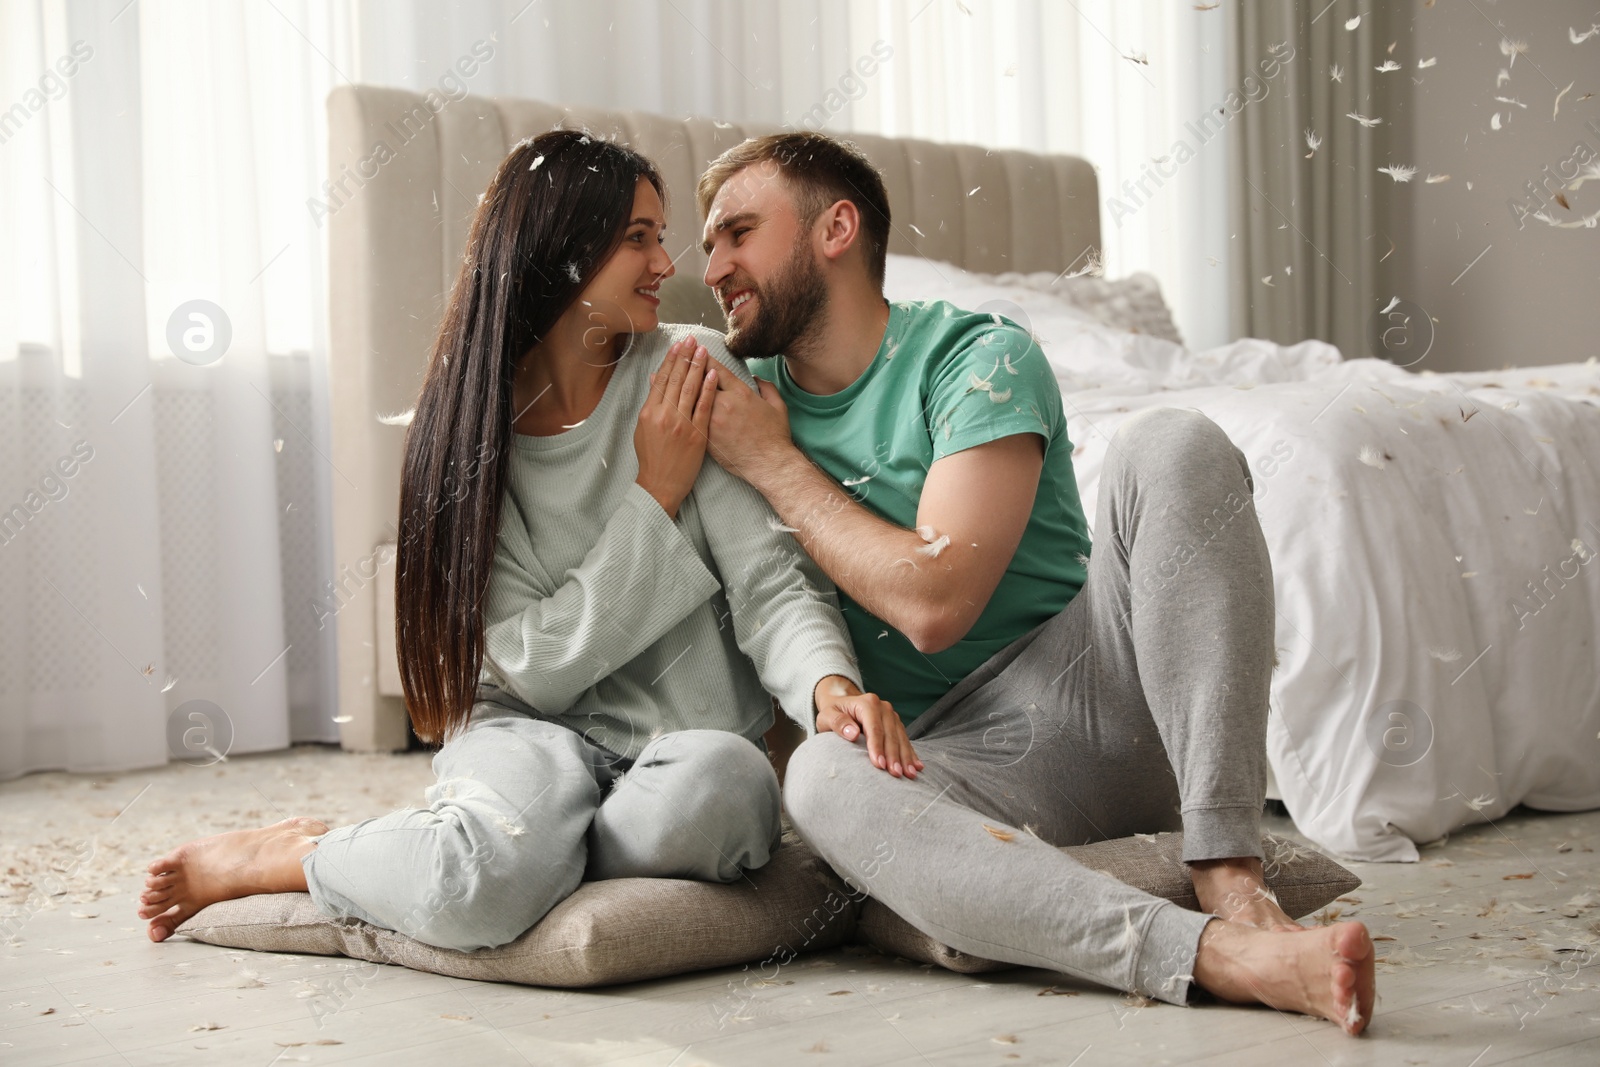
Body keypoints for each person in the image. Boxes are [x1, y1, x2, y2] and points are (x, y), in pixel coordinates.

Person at [693, 132, 1376, 1035]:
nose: (713, 266)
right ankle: (1211, 953)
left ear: (836, 228)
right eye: (704, 246)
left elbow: (936, 602)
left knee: (1170, 442)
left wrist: (777, 466)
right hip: (956, 765)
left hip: (1105, 698)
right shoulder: (738, 399)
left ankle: (1231, 878)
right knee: (820, 779)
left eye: (737, 233)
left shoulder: (975, 355)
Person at [138, 129, 879, 952]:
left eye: (661, 237)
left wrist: (826, 684)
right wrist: (653, 495)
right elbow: (534, 664)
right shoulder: (469, 432)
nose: (669, 266)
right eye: (639, 238)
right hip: (530, 733)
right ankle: (301, 857)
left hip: (680, 756)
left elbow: (769, 582)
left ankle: (516, 855)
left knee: (729, 785)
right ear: (559, 250)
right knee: (483, 891)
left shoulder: (691, 369)